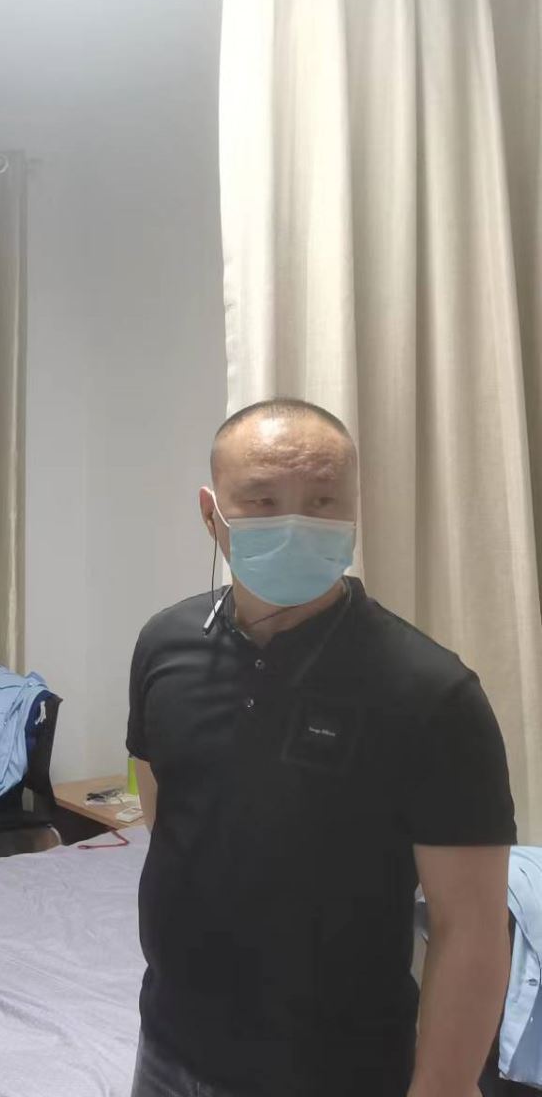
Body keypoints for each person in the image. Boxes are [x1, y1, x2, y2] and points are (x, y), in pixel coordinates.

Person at [128, 398, 515, 1097]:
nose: (295, 522)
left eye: (322, 500)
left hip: (338, 1069)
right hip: (168, 1048)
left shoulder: (432, 693)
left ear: (354, 512)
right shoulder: (163, 646)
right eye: (262, 500)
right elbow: (168, 823)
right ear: (210, 514)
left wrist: (441, 1086)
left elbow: (471, 929)